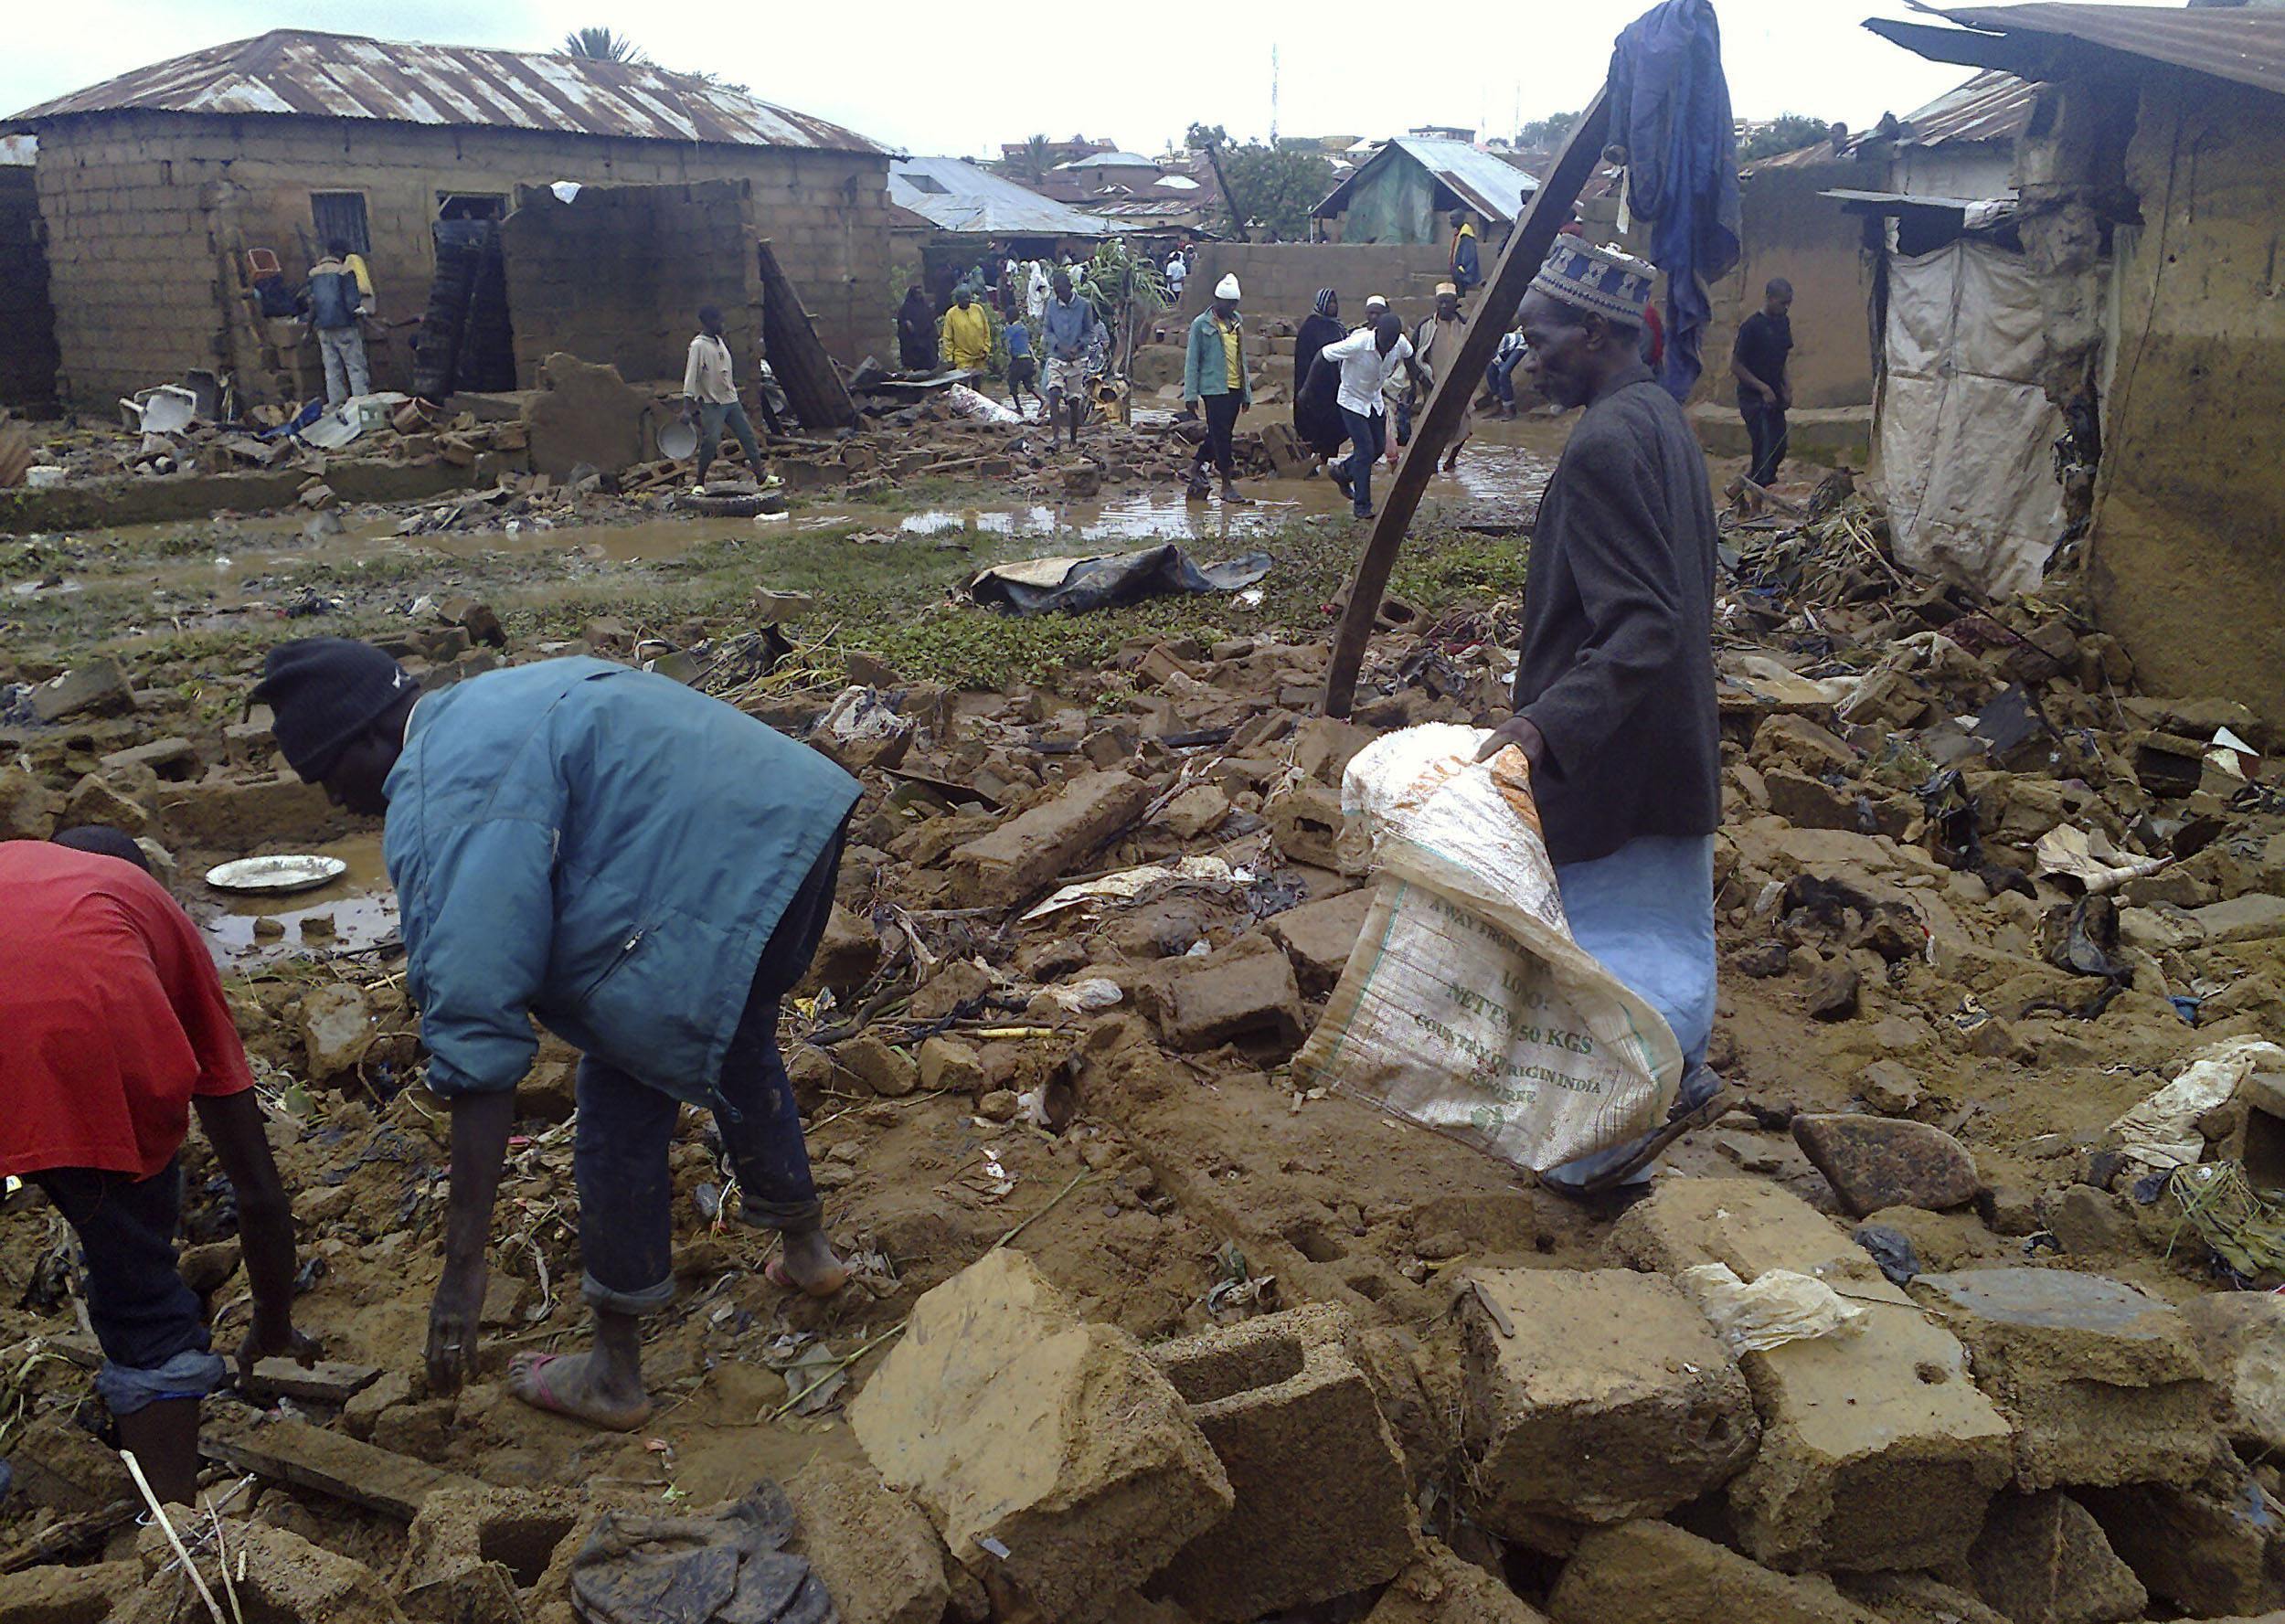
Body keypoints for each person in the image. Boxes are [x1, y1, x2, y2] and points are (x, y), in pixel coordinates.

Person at [252, 638, 862, 1430]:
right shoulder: (488, 699)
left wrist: (462, 1272)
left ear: (366, 740)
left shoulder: (442, 791)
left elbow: (476, 1031)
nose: (342, 804)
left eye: (331, 778)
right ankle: (809, 1252)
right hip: (797, 821)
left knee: (618, 1082)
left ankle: (614, 1373)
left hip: (732, 863)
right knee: (735, 1029)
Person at [1474, 238, 1722, 1194]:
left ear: (1594, 331)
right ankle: (1679, 1076)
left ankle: (1604, 1152)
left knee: (1609, 959)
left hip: (1616, 757)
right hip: (1665, 747)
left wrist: (1541, 727)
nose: (1529, 359)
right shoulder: (1659, 418)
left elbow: (1643, 621)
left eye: (1540, 340)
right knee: (1662, 938)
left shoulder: (1604, 443)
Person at [1, 831, 314, 1506]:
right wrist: (273, 1323)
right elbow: (256, 1188)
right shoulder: (148, 908)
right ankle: (174, 1540)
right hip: (92, 1026)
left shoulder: (17, 866)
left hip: (64, 1019)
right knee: (140, 1294)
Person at [1311, 311, 1428, 519]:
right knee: (1365, 451)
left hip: (1374, 400)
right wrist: (1308, 389)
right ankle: (1362, 506)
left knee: (1377, 449)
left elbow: (1410, 357)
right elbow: (1323, 354)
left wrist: (1413, 385)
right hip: (1351, 401)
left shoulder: (1398, 343)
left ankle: (1342, 472)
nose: (1388, 346)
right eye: (1385, 341)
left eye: (1392, 342)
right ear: (1377, 332)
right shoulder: (1358, 343)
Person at [683, 305, 771, 491]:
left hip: (731, 400)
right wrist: (687, 407)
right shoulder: (698, 346)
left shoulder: (719, 341)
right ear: (708, 323)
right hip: (712, 403)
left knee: (747, 435)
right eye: (718, 321)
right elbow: (691, 378)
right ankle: (699, 482)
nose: (722, 324)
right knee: (712, 440)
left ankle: (760, 476)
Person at [1182, 272, 1251, 503]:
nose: (1231, 308)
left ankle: (1195, 465)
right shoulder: (1201, 325)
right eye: (1228, 303)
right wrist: (1190, 394)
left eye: (1235, 304)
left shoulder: (1237, 321)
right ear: (1217, 301)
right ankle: (1226, 485)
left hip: (1234, 387)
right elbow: (1192, 360)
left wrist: (1246, 393)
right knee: (1223, 438)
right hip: (1213, 388)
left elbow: (1242, 359)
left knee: (1220, 434)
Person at [1407, 282, 1475, 472]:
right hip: (1433, 385)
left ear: (1455, 303)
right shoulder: (1425, 326)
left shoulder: (1465, 325)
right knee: (1434, 427)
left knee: (1465, 425)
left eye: (1448, 302)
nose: (1444, 306)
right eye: (1440, 302)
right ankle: (1432, 462)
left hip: (1460, 386)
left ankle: (1451, 459)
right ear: (1436, 303)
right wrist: (1419, 378)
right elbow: (1412, 355)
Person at [1733, 277, 1793, 487]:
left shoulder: (1783, 323)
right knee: (1763, 449)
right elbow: (1736, 365)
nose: (1785, 308)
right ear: (1769, 298)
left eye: (1788, 304)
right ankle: (1756, 507)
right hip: (1753, 398)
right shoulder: (1751, 327)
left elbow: (1783, 358)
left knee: (1778, 449)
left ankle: (1737, 488)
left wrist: (1787, 388)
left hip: (1774, 397)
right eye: (1782, 303)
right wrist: (1762, 387)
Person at [303, 238, 374, 407]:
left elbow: (312, 303)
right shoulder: (345, 272)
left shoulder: (313, 274)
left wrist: (308, 329)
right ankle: (361, 406)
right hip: (345, 327)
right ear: (342, 253)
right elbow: (352, 304)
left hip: (323, 329)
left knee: (332, 370)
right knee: (355, 367)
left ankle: (336, 406)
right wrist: (363, 314)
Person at [1293, 288, 1350, 475]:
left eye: (1335, 302)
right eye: (1330, 302)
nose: (1334, 305)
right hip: (1314, 389)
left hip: (1334, 387)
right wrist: (1306, 389)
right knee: (1314, 427)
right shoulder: (1309, 328)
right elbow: (1303, 362)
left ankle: (1322, 460)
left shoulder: (1337, 327)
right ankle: (1309, 463)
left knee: (1336, 426)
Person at [1041, 270, 1100, 449]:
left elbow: (1090, 332)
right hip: (1057, 357)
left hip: (1077, 359)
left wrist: (1078, 346)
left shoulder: (1084, 305)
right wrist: (1058, 345)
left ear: (1070, 288)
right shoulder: (1051, 305)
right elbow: (1047, 330)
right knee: (1054, 393)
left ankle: (1073, 439)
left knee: (1074, 401)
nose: (1060, 295)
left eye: (1062, 291)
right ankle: (1056, 438)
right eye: (1057, 292)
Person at [941, 287, 994, 377]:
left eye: (968, 299)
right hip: (962, 358)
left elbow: (986, 330)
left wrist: (986, 348)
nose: (967, 301)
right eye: (964, 300)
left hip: (979, 356)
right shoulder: (951, 314)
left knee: (977, 385)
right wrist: (950, 357)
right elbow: (947, 337)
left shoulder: (978, 309)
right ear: (958, 300)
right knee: (963, 386)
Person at [1485, 324, 1529, 418]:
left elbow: (1500, 365)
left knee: (1504, 373)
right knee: (1490, 372)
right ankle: (1499, 405)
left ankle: (1510, 409)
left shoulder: (1489, 344)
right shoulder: (1484, 345)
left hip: (1520, 343)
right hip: (1505, 349)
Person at [897, 285, 940, 371]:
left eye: (920, 293)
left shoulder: (925, 307)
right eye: (916, 293)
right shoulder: (906, 308)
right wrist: (906, 324)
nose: (919, 295)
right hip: (912, 341)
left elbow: (931, 322)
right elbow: (901, 322)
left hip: (926, 340)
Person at [1004, 313, 1040, 412]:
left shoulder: (1010, 329)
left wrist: (1009, 361)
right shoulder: (1023, 328)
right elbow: (1028, 345)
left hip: (1018, 360)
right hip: (1028, 360)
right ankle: (1042, 400)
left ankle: (1019, 408)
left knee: (1012, 383)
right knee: (1028, 384)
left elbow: (1009, 346)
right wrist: (1035, 359)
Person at [1450, 209, 1483, 296]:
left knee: (1461, 295)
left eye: (1453, 218)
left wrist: (1462, 269)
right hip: (1456, 271)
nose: (1450, 221)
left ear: (1461, 219)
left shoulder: (1466, 235)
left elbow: (1469, 255)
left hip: (1461, 273)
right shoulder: (1459, 233)